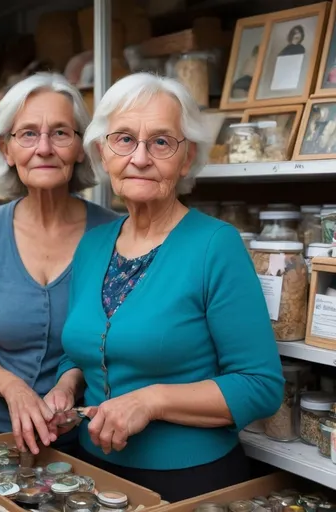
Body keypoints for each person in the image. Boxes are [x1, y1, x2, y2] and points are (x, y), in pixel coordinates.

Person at [47, 73, 284, 502]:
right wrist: (66, 385)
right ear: (102, 151)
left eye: (160, 142)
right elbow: (79, 346)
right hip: (93, 474)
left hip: (189, 482)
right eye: (123, 139)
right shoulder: (94, 244)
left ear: (187, 156)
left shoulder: (216, 245)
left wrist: (150, 401)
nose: (139, 157)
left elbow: (260, 385)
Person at [0, 73, 119, 455]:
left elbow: (113, 339)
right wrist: (15, 390)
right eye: (27, 133)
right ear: (7, 150)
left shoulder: (113, 232)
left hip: (85, 439)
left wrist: (68, 385)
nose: (43, 148)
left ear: (80, 147)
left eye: (60, 132)